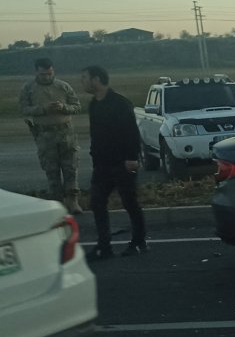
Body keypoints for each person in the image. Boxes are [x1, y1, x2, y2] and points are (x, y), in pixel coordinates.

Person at [82, 65, 146, 260]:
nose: (82, 82)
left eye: (85, 78)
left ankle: (139, 242)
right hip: (102, 165)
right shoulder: (94, 104)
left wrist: (132, 158)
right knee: (97, 202)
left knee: (130, 203)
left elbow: (132, 133)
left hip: (122, 163)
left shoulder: (120, 103)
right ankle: (104, 246)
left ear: (96, 80)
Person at [18, 57, 83, 213]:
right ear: (36, 72)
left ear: (53, 71)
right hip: (45, 135)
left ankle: (72, 200)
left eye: (49, 73)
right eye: (43, 74)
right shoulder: (28, 88)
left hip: (66, 133)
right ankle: (57, 203)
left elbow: (77, 106)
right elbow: (24, 109)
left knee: (71, 168)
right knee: (51, 170)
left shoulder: (63, 86)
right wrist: (43, 109)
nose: (46, 77)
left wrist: (63, 107)